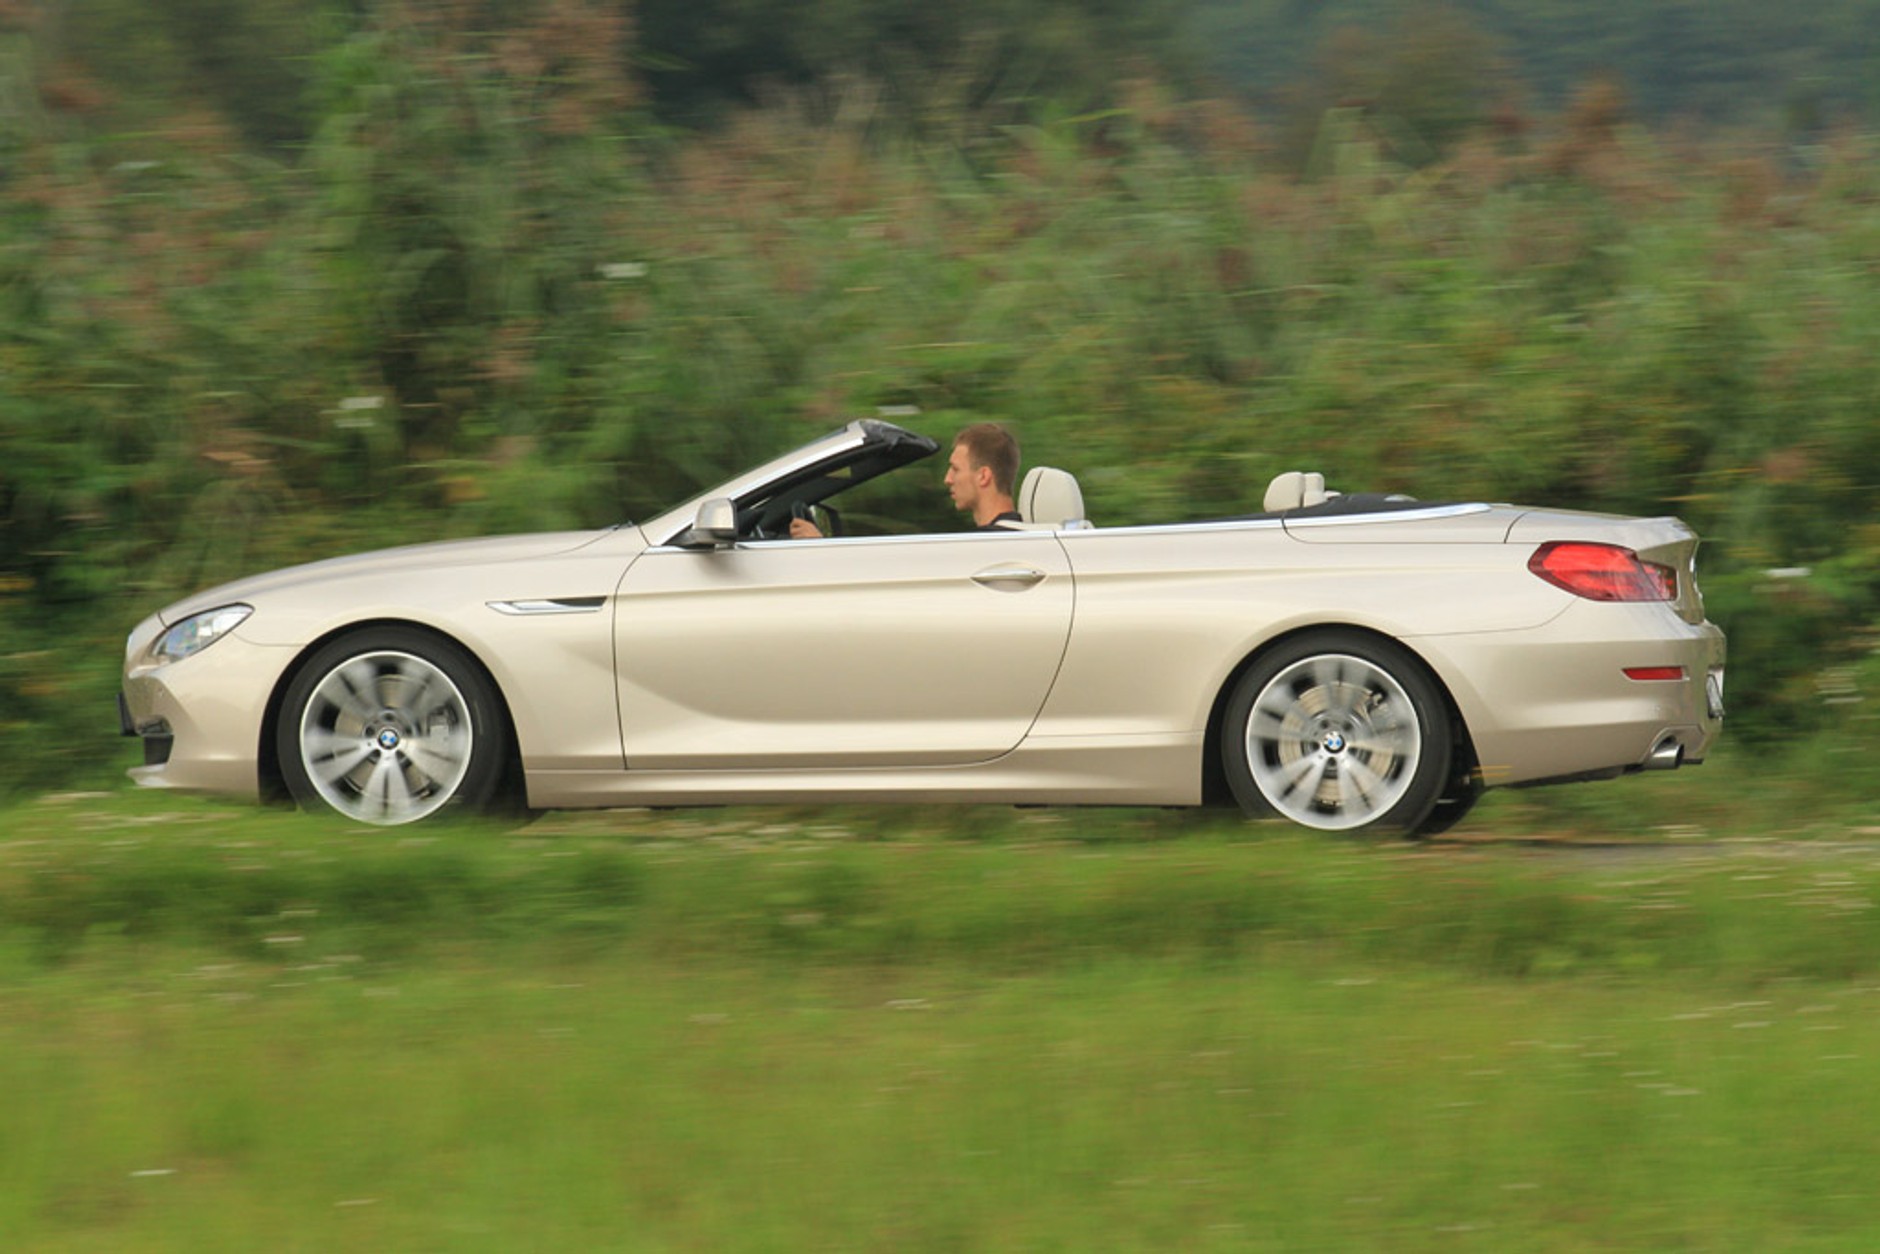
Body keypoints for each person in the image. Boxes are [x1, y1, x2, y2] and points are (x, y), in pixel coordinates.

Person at [789, 422, 1022, 538]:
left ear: (983, 476)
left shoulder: (991, 544)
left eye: (955, 469)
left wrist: (820, 548)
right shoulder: (1005, 539)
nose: (947, 479)